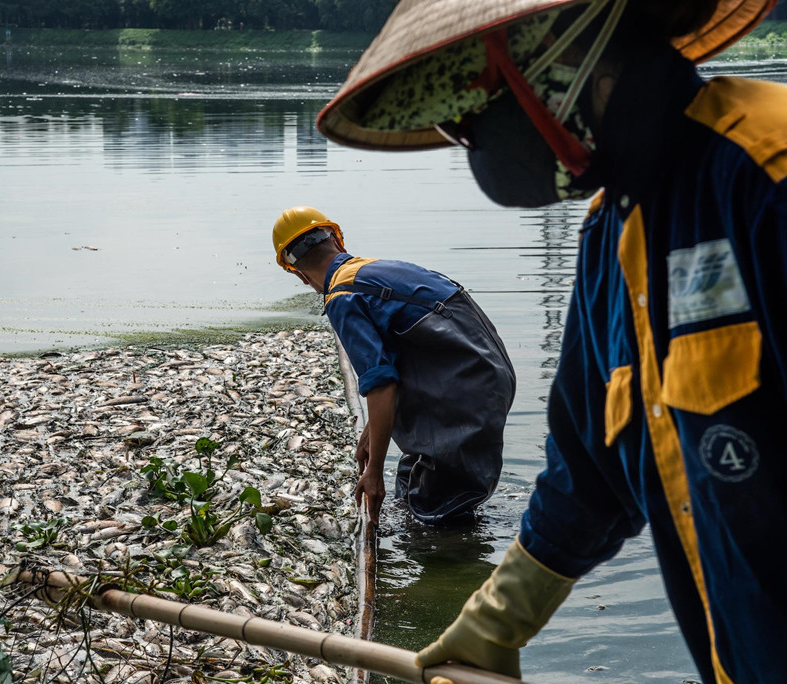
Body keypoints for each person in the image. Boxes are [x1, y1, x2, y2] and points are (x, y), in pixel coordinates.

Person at [316, 0, 785, 681]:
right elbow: (590, 472)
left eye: (476, 106)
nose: (474, 138)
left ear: (558, 55)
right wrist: (499, 618)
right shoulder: (610, 239)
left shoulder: (763, 176)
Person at [271, 206, 516, 526]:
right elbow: (400, 356)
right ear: (336, 241)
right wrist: (372, 431)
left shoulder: (342, 297)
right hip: (483, 370)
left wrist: (373, 474)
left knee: (442, 511)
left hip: (464, 385)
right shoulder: (370, 270)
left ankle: (452, 560)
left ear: (299, 274)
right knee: (416, 476)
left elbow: (382, 383)